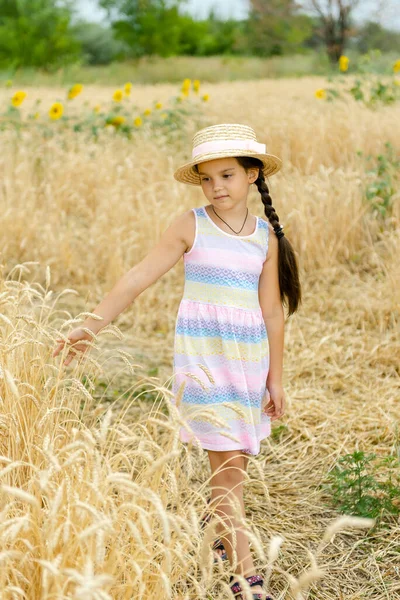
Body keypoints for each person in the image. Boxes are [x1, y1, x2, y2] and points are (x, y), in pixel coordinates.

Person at [53, 123, 302, 600]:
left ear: (253, 175)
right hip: (204, 362)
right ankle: (245, 578)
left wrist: (277, 379)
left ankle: (217, 535)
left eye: (227, 175)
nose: (217, 187)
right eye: (207, 179)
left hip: (246, 361)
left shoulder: (265, 237)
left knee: (232, 470)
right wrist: (88, 326)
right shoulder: (191, 224)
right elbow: (138, 277)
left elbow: (272, 310)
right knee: (227, 469)